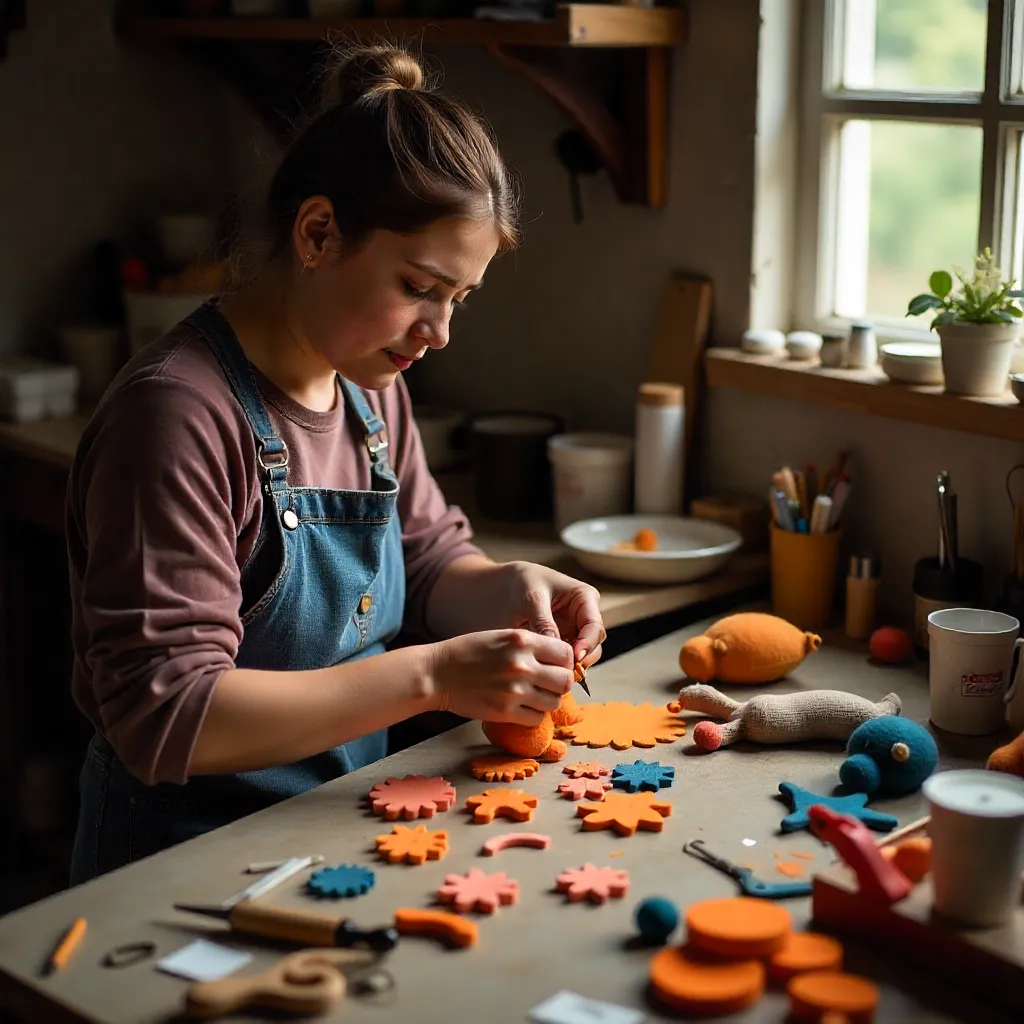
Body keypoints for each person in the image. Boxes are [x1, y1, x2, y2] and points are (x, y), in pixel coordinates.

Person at [66, 43, 605, 885]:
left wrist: (508, 586)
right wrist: (434, 673)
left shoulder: (367, 384)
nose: (441, 332)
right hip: (180, 865)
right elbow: (170, 712)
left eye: (459, 299)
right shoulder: (177, 415)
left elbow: (425, 560)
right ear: (318, 233)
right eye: (421, 287)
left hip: (341, 836)